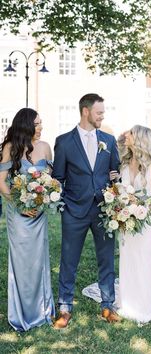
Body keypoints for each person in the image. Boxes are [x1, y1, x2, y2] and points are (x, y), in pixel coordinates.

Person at [83, 125, 151, 323]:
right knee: (127, 256)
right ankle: (128, 298)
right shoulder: (123, 163)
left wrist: (143, 210)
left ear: (138, 138)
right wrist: (121, 203)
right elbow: (121, 189)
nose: (125, 134)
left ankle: (143, 301)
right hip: (125, 218)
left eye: (130, 133)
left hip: (146, 220)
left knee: (143, 257)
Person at [52, 93, 120, 329]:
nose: (103, 116)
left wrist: (115, 184)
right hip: (74, 209)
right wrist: (64, 204)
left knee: (106, 259)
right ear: (86, 111)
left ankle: (108, 305)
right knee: (69, 259)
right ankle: (64, 307)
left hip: (103, 210)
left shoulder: (109, 141)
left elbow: (115, 173)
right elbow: (57, 178)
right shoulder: (64, 142)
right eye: (99, 112)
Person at [0, 108, 55, 331]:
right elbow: (1, 182)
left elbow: (50, 181)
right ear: (25, 125)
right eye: (37, 124)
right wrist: (20, 204)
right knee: (21, 263)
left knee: (39, 260)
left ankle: (43, 310)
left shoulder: (45, 147)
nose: (41, 128)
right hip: (17, 214)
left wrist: (42, 198)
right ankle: (21, 313)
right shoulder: (10, 148)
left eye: (41, 123)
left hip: (38, 213)